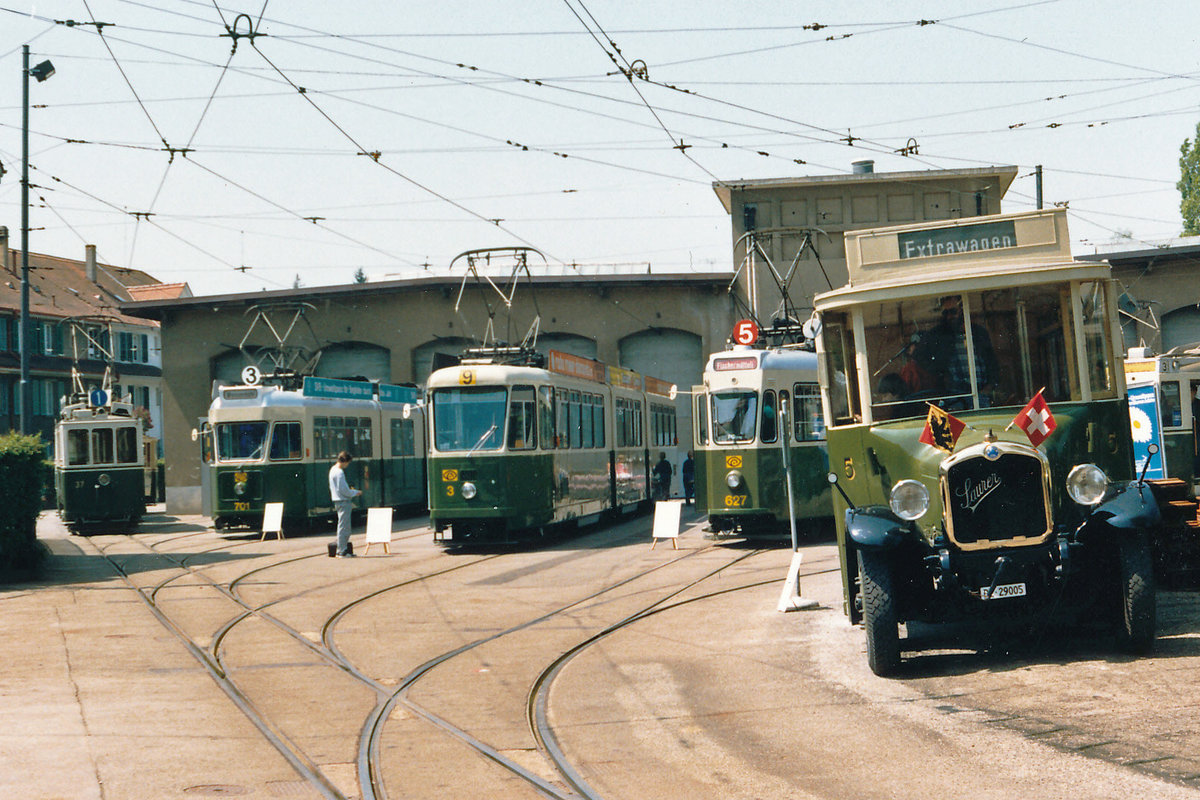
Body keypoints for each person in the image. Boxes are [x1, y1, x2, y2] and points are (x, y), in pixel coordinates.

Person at [328, 450, 362, 557]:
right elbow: (344, 490)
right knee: (344, 526)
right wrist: (356, 492)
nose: (347, 465)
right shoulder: (339, 472)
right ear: (344, 461)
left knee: (342, 525)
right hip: (344, 501)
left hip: (337, 500)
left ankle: (342, 549)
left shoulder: (332, 470)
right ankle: (341, 550)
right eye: (348, 463)